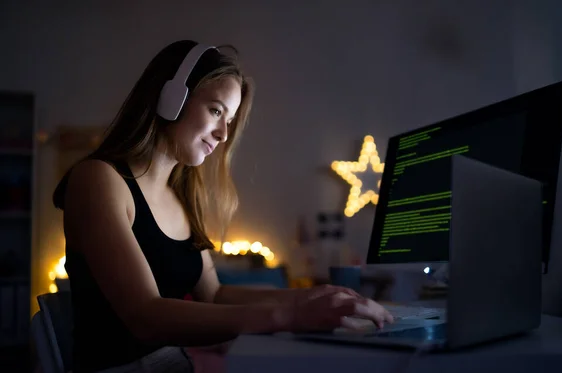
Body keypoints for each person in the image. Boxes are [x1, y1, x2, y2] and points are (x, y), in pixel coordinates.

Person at [53, 40, 393, 373]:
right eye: (216, 111)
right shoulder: (98, 179)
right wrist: (288, 316)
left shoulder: (180, 196)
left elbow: (213, 295)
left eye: (229, 120)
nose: (223, 134)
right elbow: (146, 317)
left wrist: (307, 299)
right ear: (172, 97)